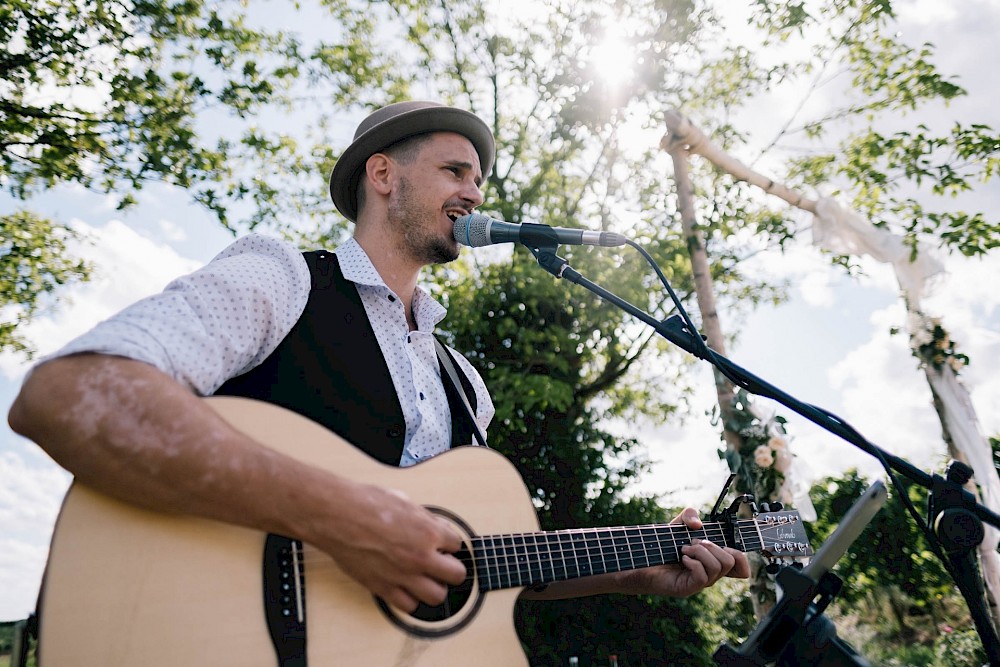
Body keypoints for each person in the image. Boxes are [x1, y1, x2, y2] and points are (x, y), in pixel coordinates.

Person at [8, 101, 749, 618]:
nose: (476, 191)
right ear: (384, 175)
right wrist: (339, 516)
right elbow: (71, 393)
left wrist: (636, 568)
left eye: (480, 181)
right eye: (457, 171)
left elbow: (475, 561)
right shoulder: (283, 277)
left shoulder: (464, 386)